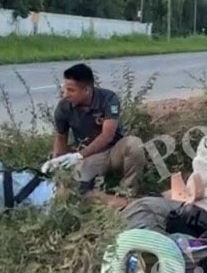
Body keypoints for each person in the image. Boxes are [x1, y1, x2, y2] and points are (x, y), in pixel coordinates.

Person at [51, 63, 147, 194]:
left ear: (87, 90)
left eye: (71, 90)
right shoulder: (64, 107)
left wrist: (78, 156)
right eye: (64, 90)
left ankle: (128, 193)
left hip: (114, 150)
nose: (65, 95)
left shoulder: (108, 99)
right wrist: (58, 163)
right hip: (90, 157)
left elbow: (107, 135)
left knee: (134, 145)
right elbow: (61, 137)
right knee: (76, 186)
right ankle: (97, 202)